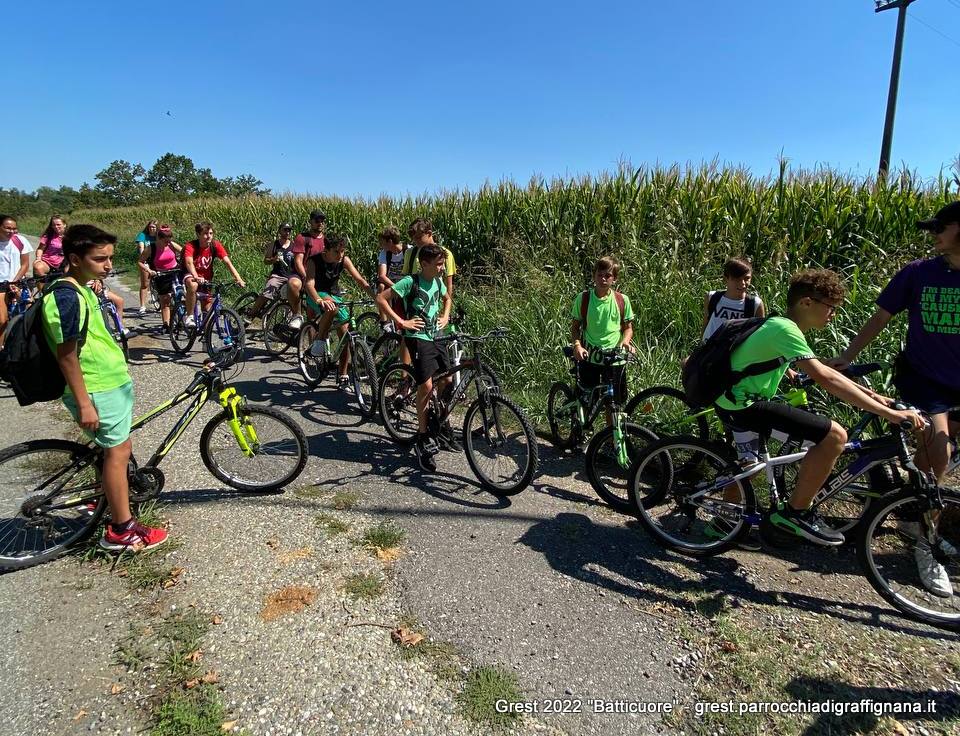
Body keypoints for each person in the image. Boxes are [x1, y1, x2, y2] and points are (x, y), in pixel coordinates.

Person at [712, 268, 923, 546]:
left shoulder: (782, 326)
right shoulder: (784, 329)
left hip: (741, 400)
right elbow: (825, 378)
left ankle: (724, 525)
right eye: (830, 308)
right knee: (835, 436)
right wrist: (891, 414)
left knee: (747, 465)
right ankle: (795, 514)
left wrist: (876, 398)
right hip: (743, 405)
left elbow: (821, 370)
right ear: (806, 303)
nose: (833, 314)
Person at [830, 200, 960, 595]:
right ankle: (926, 543)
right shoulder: (919, 274)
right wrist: (845, 358)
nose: (934, 232)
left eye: (941, 225)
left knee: (934, 462)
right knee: (939, 449)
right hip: (924, 381)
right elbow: (881, 317)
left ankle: (909, 512)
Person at [41, 224, 167, 551]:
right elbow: (66, 355)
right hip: (96, 386)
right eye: (100, 259)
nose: (109, 265)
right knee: (118, 452)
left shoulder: (81, 286)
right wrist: (84, 403)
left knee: (114, 450)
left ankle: (105, 499)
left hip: (108, 381)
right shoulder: (65, 297)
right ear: (74, 258)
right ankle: (121, 530)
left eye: (110, 257)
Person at [375, 244, 453, 472]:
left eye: (442, 264)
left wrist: (445, 316)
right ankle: (423, 437)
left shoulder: (438, 281)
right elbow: (381, 298)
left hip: (435, 335)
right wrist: (401, 322)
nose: (441, 269)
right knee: (426, 387)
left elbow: (447, 298)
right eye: (438, 264)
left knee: (447, 380)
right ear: (424, 264)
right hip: (416, 336)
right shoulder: (411, 281)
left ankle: (438, 422)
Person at [569, 256, 635, 425]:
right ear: (594, 276)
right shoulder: (583, 299)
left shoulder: (622, 300)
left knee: (613, 404)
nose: (603, 279)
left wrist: (625, 342)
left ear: (615, 279)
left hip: (614, 359)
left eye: (608, 275)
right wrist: (577, 345)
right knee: (587, 400)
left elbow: (628, 328)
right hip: (589, 357)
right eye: (600, 275)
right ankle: (581, 432)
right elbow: (575, 327)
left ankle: (609, 441)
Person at [302, 233, 371, 388]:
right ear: (327, 250)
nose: (341, 255)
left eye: (343, 251)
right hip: (316, 295)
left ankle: (343, 373)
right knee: (330, 305)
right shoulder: (314, 260)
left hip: (334, 296)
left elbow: (359, 279)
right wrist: (319, 300)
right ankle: (319, 341)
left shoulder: (344, 260)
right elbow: (309, 284)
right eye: (337, 252)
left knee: (345, 332)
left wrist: (376, 297)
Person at [182, 222, 245, 327]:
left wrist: (238, 278)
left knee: (207, 309)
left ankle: (205, 338)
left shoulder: (215, 245)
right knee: (193, 285)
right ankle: (189, 316)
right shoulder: (191, 246)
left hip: (206, 277)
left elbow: (227, 262)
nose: (209, 236)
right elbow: (189, 262)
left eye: (211, 233)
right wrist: (196, 276)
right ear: (198, 235)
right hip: (190, 273)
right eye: (205, 234)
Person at [249, 223, 305, 328]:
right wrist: (273, 259)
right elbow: (266, 260)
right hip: (277, 275)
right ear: (280, 231)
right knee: (267, 294)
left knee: (291, 297)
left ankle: (289, 323)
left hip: (291, 277)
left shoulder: (294, 246)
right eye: (285, 230)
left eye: (289, 230)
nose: (287, 232)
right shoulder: (274, 244)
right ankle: (251, 313)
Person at [702, 256, 765, 340]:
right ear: (725, 279)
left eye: (747, 279)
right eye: (737, 279)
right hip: (709, 351)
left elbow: (759, 336)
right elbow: (705, 324)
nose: (743, 283)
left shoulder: (755, 304)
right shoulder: (712, 297)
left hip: (737, 351)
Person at [138, 225, 182, 331]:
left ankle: (180, 319)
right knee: (165, 300)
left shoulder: (171, 245)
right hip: (161, 274)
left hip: (174, 271)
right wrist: (149, 271)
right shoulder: (151, 248)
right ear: (159, 238)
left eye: (169, 240)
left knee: (180, 296)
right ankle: (166, 325)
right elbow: (140, 262)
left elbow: (185, 252)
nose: (168, 243)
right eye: (165, 241)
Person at [0, 214, 33, 348]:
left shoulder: (20, 240)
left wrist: (14, 282)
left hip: (17, 282)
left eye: (14, 228)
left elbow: (25, 265)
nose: (12, 231)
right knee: (2, 320)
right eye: (8, 228)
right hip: (1, 285)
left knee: (29, 315)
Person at [374, 226, 410, 330]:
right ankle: (385, 322)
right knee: (380, 287)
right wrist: (397, 287)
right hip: (390, 281)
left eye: (382, 242)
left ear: (389, 241)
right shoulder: (384, 253)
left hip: (405, 281)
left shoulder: (408, 250)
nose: (380, 245)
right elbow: (382, 276)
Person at [292, 210, 327, 285]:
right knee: (294, 284)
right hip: (303, 274)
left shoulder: (327, 240)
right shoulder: (302, 237)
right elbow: (298, 262)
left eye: (322, 221)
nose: (320, 223)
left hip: (320, 276)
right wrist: (306, 277)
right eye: (317, 221)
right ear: (310, 222)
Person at [134, 221, 159, 314]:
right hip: (146, 260)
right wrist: (143, 257)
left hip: (157, 260)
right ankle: (142, 306)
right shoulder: (143, 235)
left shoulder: (158, 236)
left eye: (154, 227)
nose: (152, 229)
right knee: (145, 284)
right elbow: (141, 246)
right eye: (150, 227)